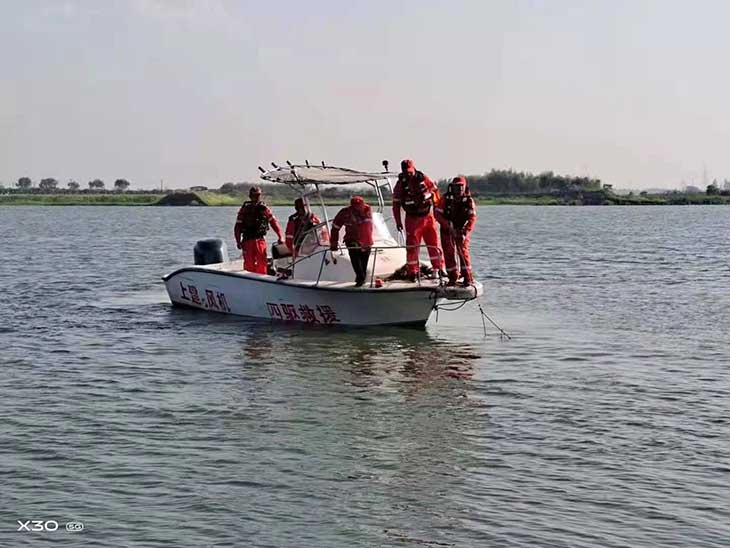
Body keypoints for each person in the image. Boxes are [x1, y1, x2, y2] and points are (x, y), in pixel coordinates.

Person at [392, 159, 445, 282]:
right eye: (406, 172)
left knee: (434, 244)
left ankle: (438, 268)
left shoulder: (423, 178)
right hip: (412, 219)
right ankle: (413, 272)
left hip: (428, 217)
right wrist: (398, 222)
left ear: (414, 169)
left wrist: (437, 211)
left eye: (410, 172)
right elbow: (396, 205)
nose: (408, 174)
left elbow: (435, 192)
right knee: (412, 247)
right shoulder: (400, 184)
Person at [435, 176, 476, 286]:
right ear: (452, 187)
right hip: (447, 230)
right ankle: (452, 277)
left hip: (462, 230)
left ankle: (467, 277)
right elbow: (437, 214)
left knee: (463, 252)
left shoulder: (469, 201)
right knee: (448, 253)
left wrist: (465, 233)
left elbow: (472, 218)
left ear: (465, 187)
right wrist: (447, 225)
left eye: (461, 186)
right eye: (457, 187)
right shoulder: (445, 199)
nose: (459, 189)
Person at [234, 186, 283, 274]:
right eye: (254, 195)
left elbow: (273, 222)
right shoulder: (244, 209)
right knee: (249, 264)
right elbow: (237, 226)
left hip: (260, 239)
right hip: (247, 239)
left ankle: (262, 278)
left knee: (262, 262)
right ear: (250, 196)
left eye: (258, 195)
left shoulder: (264, 208)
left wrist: (280, 236)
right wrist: (238, 241)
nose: (256, 197)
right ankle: (248, 279)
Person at [330, 196, 374, 286]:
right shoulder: (344, 213)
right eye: (355, 207)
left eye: (359, 206)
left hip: (366, 242)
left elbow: (368, 227)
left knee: (363, 264)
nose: (357, 209)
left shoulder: (367, 210)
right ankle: (360, 280)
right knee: (356, 260)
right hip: (352, 240)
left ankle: (361, 280)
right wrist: (334, 243)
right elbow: (335, 228)